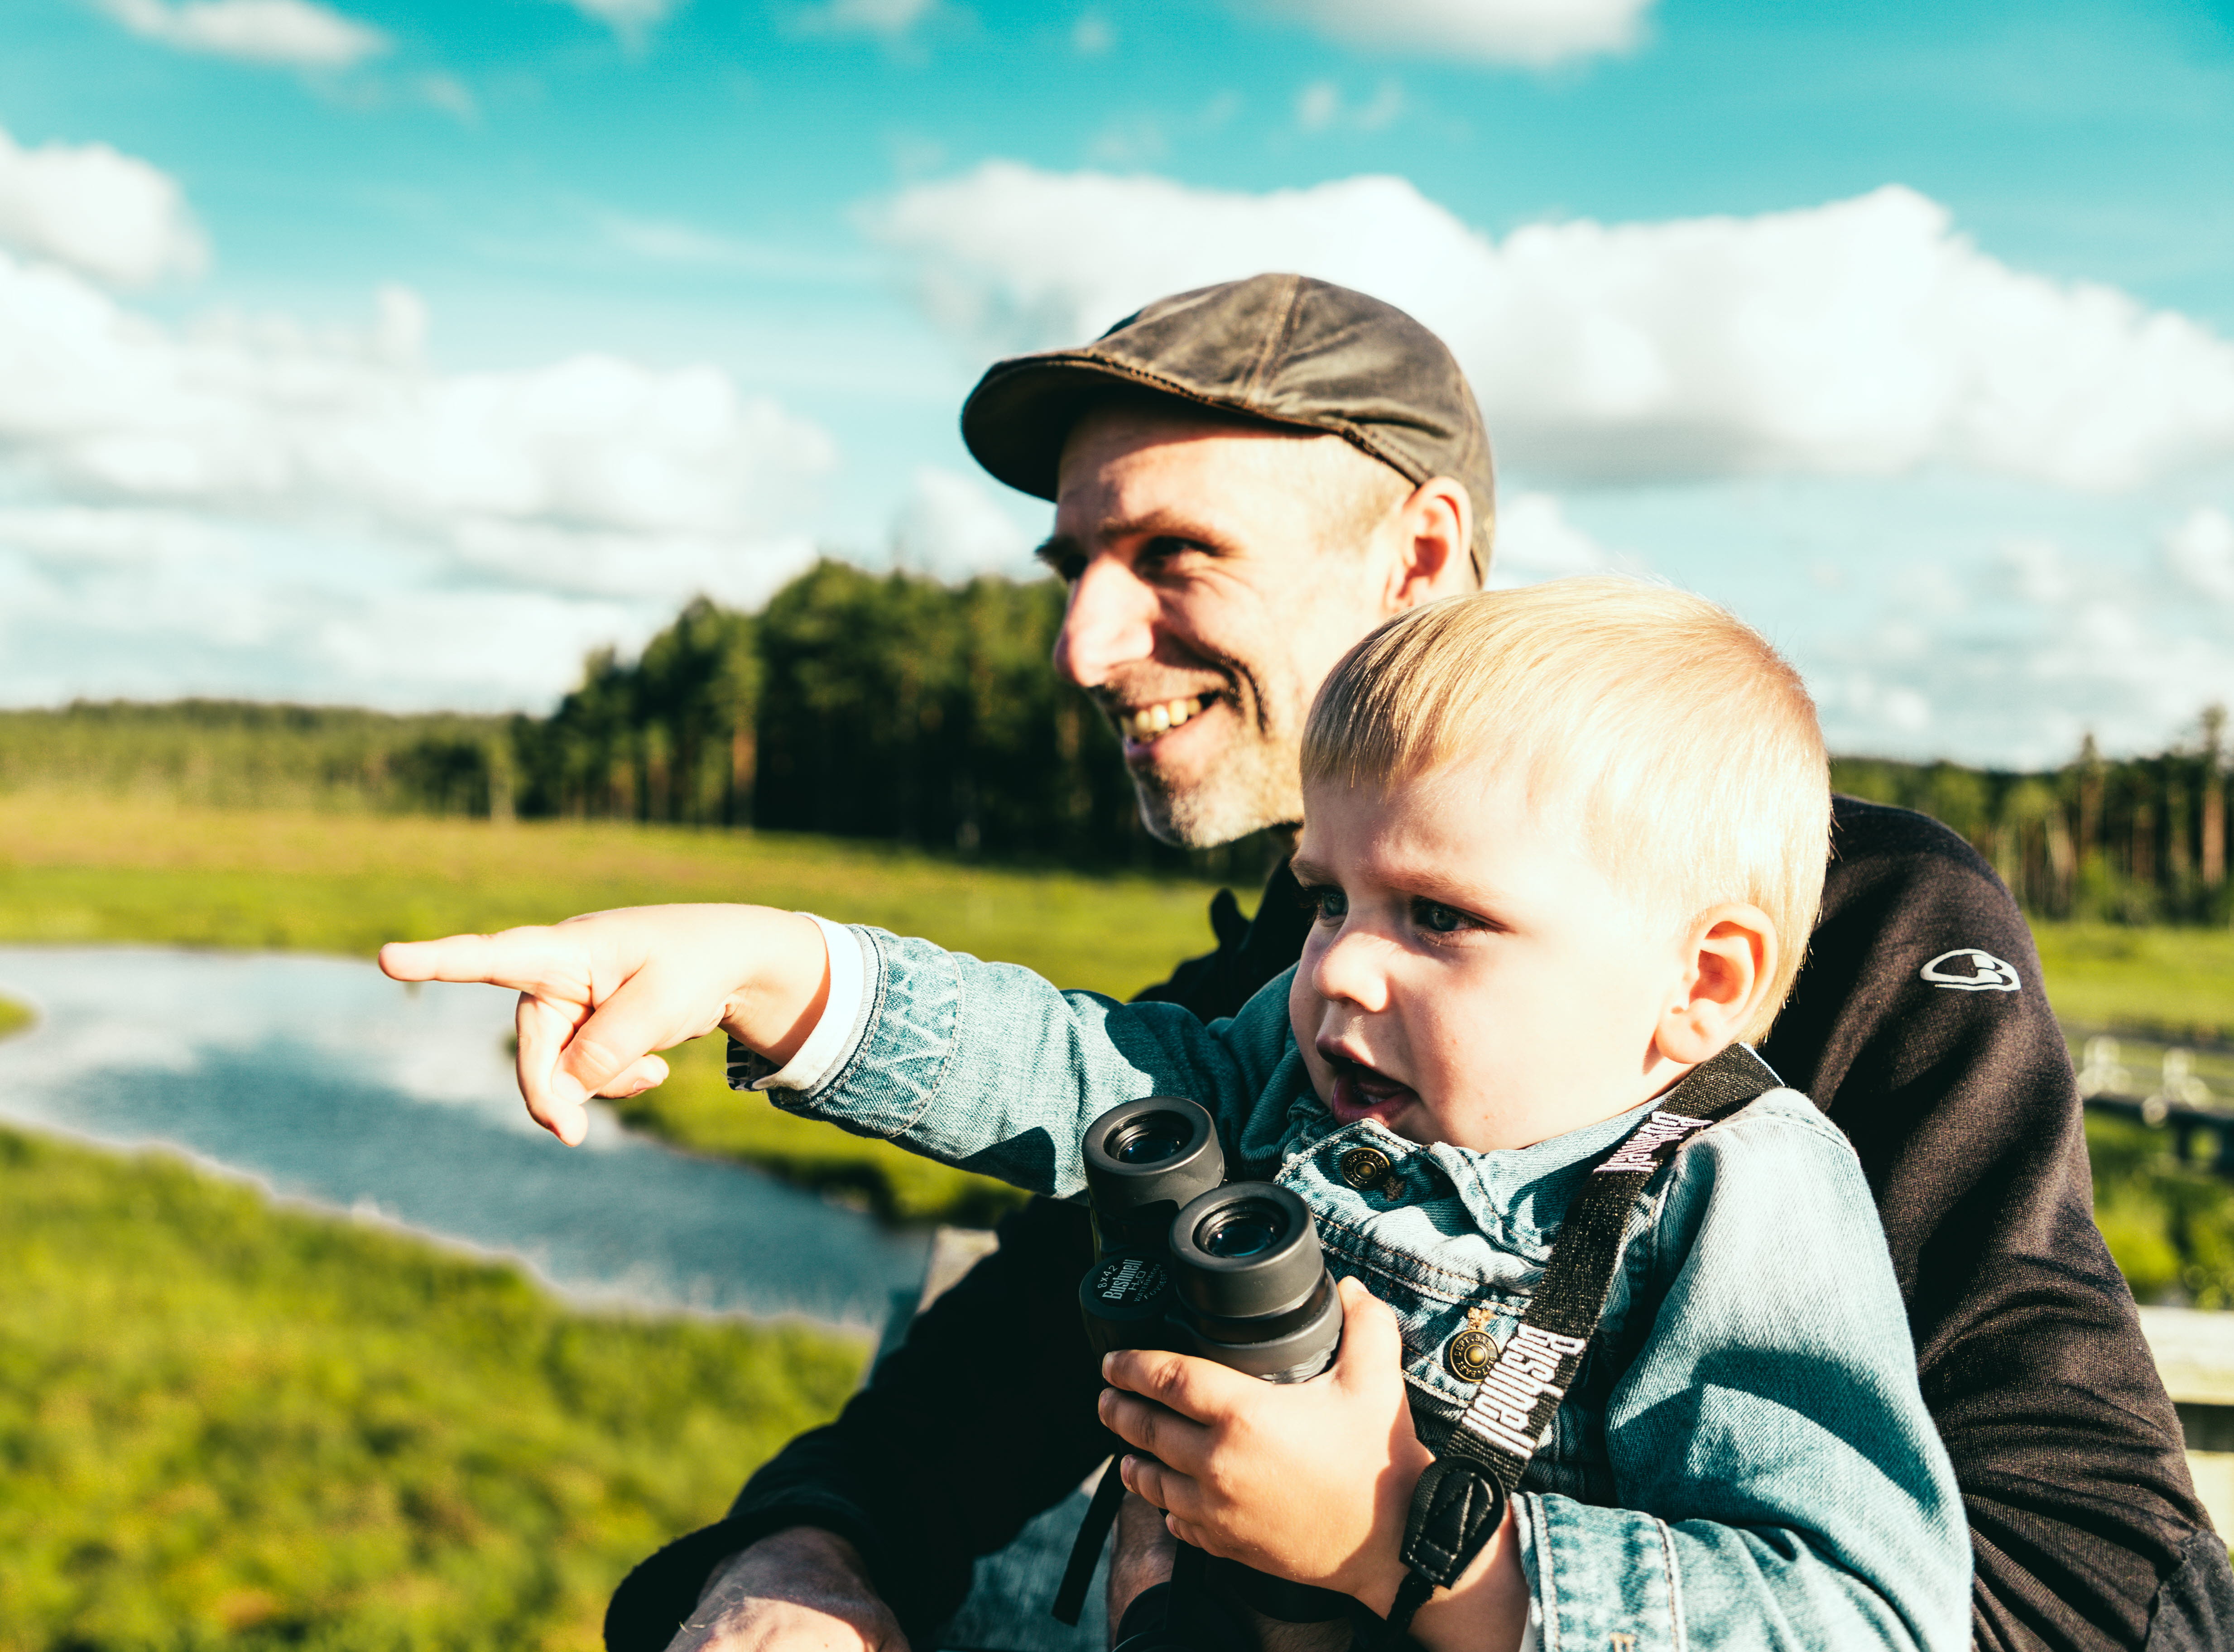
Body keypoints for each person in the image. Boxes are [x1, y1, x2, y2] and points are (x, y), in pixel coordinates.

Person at [437, 277, 2227, 1650]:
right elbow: (1033, 1252)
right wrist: (803, 1548)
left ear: (1420, 553)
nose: (1080, 646)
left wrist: (1405, 1542)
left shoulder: (1830, 960)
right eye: (1068, 566)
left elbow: (2082, 1582)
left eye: (1169, 556)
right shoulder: (1312, 986)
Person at [385, 578, 1975, 1652]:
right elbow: (1066, 1070)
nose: (1336, 969)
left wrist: (1399, 1539)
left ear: (1702, 985)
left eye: (1439, 918)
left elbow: (1864, 1616)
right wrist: (769, 967)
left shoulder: (1740, 1202)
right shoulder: (1286, 1081)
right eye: (1325, 898)